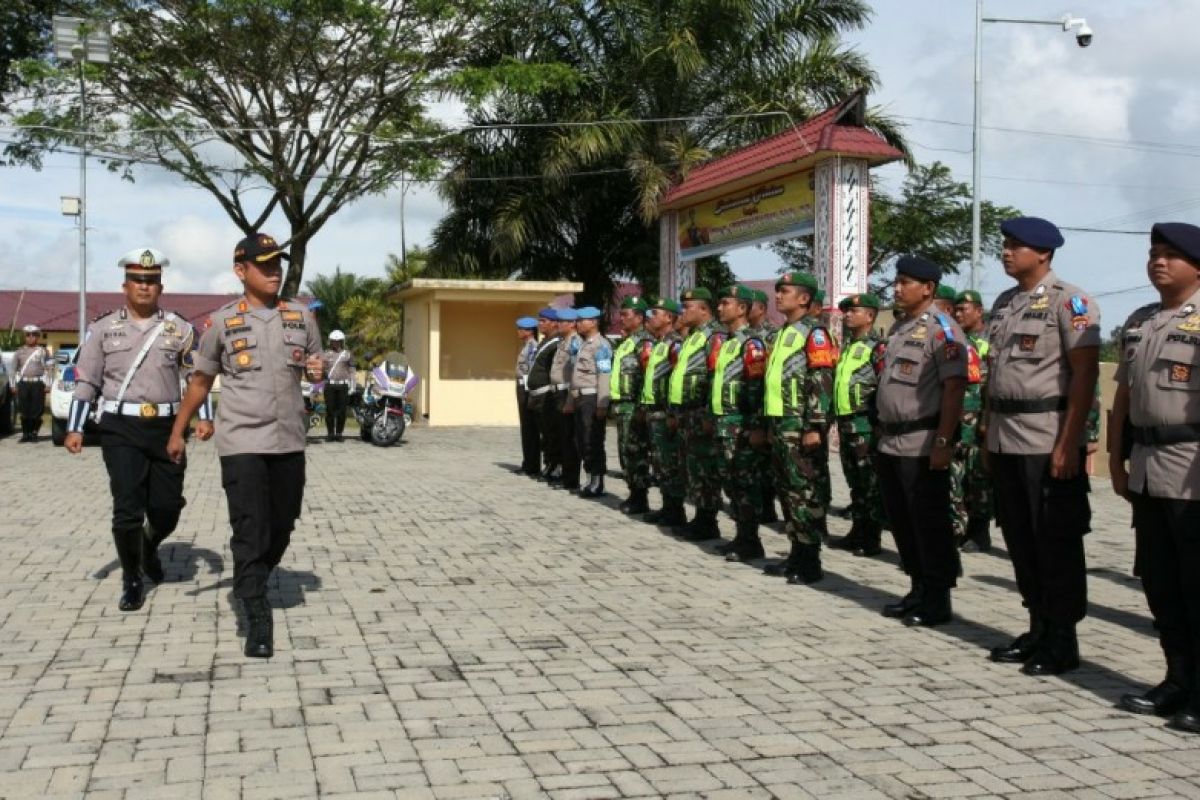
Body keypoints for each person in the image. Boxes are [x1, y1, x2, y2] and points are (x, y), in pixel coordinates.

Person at [168, 232, 323, 658]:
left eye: (278, 264)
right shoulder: (221, 323)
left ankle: (250, 577)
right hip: (241, 440)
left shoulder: (302, 317)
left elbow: (315, 371)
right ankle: (255, 610)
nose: (274, 272)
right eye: (265, 265)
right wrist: (177, 430)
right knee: (251, 527)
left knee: (283, 522)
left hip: (289, 437)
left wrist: (316, 371)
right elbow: (200, 381)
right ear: (241, 271)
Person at [66, 247, 214, 611]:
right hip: (120, 427)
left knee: (168, 507)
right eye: (138, 280)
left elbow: (197, 378)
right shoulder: (102, 329)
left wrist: (204, 417)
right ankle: (132, 578)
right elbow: (87, 382)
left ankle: (149, 543)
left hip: (167, 426)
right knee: (127, 507)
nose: (144, 287)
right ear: (125, 285)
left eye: (151, 281)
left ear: (160, 286)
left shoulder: (179, 328)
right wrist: (75, 428)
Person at [984, 216, 1100, 675]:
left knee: (1054, 540)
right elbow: (995, 375)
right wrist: (988, 435)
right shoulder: (1005, 303)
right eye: (1006, 245)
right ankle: (1037, 625)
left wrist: (1070, 442)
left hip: (1045, 435)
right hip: (1005, 435)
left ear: (1044, 253)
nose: (1007, 252)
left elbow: (1085, 376)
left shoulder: (1069, 301)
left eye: (1016, 246)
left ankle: (1062, 639)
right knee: (1019, 537)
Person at [1110, 222, 1200, 733]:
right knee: (1162, 584)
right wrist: (1118, 461)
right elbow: (1124, 396)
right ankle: (1176, 678)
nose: (1158, 262)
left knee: (1196, 584)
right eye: (1154, 254)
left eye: (1171, 255)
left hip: (1193, 469)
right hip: (1148, 466)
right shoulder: (1142, 320)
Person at [875, 255, 967, 627]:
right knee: (901, 520)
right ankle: (917, 588)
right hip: (890, 441)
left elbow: (954, 387)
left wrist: (944, 441)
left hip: (922, 441)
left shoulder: (942, 329)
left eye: (906, 282)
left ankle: (937, 597)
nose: (897, 288)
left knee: (928, 523)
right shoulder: (899, 329)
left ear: (927, 288)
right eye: (896, 282)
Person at [761, 272, 835, 582]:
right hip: (780, 423)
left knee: (805, 491)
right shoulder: (780, 334)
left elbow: (820, 380)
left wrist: (814, 425)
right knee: (787, 491)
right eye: (777, 291)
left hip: (799, 424)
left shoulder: (814, 333)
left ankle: (810, 561)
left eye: (785, 291)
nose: (778, 296)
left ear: (804, 298)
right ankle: (795, 553)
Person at [710, 285, 769, 562]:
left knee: (745, 484)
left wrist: (756, 425)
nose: (720, 308)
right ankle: (741, 536)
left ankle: (751, 540)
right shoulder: (728, 342)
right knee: (731, 483)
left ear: (742, 309)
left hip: (741, 425)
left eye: (725, 303)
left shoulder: (752, 344)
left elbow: (757, 388)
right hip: (724, 423)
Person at [828, 293, 886, 558]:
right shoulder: (848, 347)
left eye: (854, 311)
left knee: (869, 483)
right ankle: (857, 531)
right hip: (847, 424)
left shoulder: (878, 348)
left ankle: (871, 537)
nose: (847, 315)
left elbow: (885, 386)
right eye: (846, 312)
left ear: (870, 316)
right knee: (855, 483)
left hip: (866, 425)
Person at [667, 288, 726, 540]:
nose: (682, 311)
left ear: (703, 309)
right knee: (692, 467)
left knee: (705, 468)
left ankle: (707, 520)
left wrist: (708, 414)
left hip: (701, 411)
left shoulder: (714, 336)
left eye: (688, 307)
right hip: (686, 412)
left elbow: (715, 376)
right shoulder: (692, 336)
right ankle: (700, 516)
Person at [639, 298, 687, 525]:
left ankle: (675, 509)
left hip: (665, 413)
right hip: (653, 412)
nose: (650, 317)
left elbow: (676, 380)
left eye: (655, 312)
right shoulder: (658, 343)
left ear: (669, 317)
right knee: (660, 463)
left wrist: (672, 413)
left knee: (670, 463)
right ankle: (667, 506)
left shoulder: (675, 344)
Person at [953, 290, 993, 552]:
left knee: (979, 478)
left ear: (978, 311)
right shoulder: (957, 341)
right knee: (957, 478)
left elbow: (995, 385)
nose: (958, 315)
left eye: (963, 309)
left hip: (979, 419)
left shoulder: (990, 342)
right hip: (957, 421)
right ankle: (958, 528)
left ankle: (980, 532)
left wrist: (987, 420)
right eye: (956, 310)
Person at [609, 297, 655, 512]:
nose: (621, 318)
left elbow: (648, 377)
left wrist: (641, 408)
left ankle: (640, 496)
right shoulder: (626, 342)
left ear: (639, 317)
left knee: (636, 452)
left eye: (626, 314)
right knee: (625, 452)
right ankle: (633, 492)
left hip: (634, 407)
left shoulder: (645, 343)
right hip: (622, 406)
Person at [570, 306, 613, 497]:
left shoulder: (601, 345)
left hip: (592, 397)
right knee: (581, 440)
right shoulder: (582, 344)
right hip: (579, 397)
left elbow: (604, 375)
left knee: (592, 440)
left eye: (582, 320)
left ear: (594, 322)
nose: (578, 323)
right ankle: (589, 479)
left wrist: (602, 404)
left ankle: (597, 481)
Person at [749, 288, 780, 524]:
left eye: (750, 304)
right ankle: (759, 504)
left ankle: (767, 506)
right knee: (754, 464)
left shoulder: (772, 335)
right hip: (751, 407)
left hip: (766, 407)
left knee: (766, 464)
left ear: (761, 308)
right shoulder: (744, 335)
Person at [526, 308, 562, 481]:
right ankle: (549, 463)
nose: (540, 324)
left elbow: (553, 372)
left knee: (552, 433)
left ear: (554, 323)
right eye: (539, 320)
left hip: (546, 395)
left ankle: (555, 465)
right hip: (536, 395)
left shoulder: (555, 344)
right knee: (544, 433)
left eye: (543, 321)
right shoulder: (544, 342)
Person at [549, 308, 581, 490]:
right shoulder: (563, 342)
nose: (558, 324)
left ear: (572, 324)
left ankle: (571, 479)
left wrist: (570, 398)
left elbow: (574, 373)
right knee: (561, 436)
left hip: (567, 392)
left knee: (569, 438)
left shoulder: (575, 342)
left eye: (562, 322)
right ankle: (564, 474)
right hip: (558, 392)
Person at [12, 324, 49, 442]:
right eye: (28, 335)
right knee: (24, 409)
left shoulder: (43, 351)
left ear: (38, 337)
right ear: (25, 337)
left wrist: (48, 384)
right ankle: (25, 434)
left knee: (36, 410)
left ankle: (33, 433)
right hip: (23, 383)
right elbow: (13, 369)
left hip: (37, 384)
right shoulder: (19, 352)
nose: (30, 337)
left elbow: (50, 368)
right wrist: (13, 384)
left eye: (34, 335)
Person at [513, 316, 541, 475]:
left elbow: (530, 371)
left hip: (527, 389)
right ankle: (528, 462)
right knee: (526, 427)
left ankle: (532, 464)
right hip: (521, 387)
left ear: (529, 331)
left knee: (530, 428)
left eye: (521, 329)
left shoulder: (532, 347)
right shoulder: (526, 346)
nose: (518, 332)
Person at [321, 330, 356, 442]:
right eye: (333, 341)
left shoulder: (347, 354)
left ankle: (339, 434)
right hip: (330, 386)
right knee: (330, 410)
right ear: (330, 342)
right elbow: (321, 370)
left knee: (341, 411)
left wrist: (353, 385)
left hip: (343, 386)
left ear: (342, 342)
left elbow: (352, 370)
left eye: (338, 341)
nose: (335, 343)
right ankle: (330, 434)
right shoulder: (325, 354)